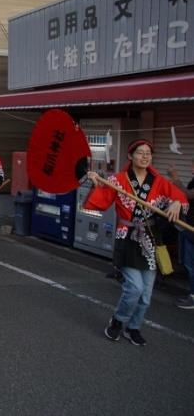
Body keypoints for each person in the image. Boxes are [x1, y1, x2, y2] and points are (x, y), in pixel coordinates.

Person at [85, 140, 187, 345]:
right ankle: (117, 321)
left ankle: (133, 328)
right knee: (134, 288)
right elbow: (99, 201)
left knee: (146, 294)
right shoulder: (119, 180)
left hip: (150, 239)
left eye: (148, 153)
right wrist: (96, 181)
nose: (145, 156)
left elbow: (180, 197)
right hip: (127, 237)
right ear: (130, 156)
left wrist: (176, 202)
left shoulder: (158, 181)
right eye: (140, 153)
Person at [169, 160, 194, 309]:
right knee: (187, 263)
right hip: (187, 228)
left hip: (191, 231)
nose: (191, 167)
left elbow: (189, 195)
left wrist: (175, 177)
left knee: (191, 265)